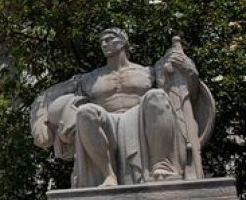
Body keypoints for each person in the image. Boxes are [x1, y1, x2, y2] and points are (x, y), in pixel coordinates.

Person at [30, 27, 215, 188]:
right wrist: (40, 119)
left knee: (156, 96)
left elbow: (182, 92)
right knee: (86, 112)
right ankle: (108, 175)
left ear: (124, 41)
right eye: (102, 40)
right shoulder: (90, 79)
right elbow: (50, 96)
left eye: (110, 38)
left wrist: (185, 66)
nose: (104, 43)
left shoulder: (147, 73)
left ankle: (162, 165)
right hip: (106, 123)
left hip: (139, 121)